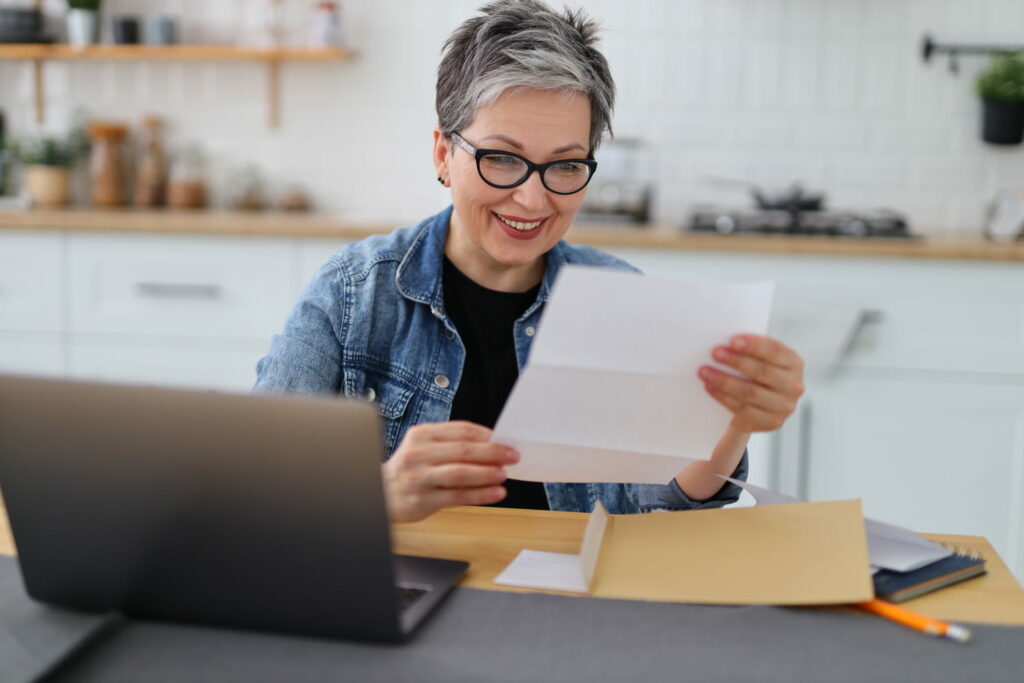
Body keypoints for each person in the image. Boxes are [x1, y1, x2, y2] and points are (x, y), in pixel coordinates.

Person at [254, 0, 805, 523]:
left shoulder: (621, 300)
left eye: (565, 166)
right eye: (501, 159)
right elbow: (255, 486)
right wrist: (377, 494)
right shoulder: (354, 294)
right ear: (444, 154)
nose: (533, 200)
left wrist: (732, 425)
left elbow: (663, 506)